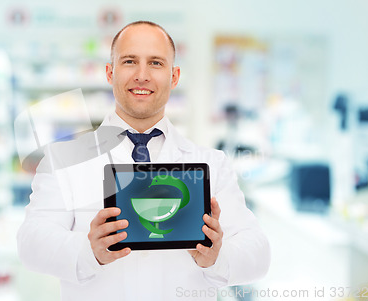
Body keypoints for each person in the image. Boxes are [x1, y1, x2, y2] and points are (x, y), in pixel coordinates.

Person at [17, 21, 270, 301]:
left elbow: (258, 253)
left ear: (174, 77)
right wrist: (88, 252)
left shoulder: (212, 164)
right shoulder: (64, 160)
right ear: (109, 72)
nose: (142, 75)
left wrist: (217, 257)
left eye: (156, 63)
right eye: (129, 61)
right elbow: (31, 242)